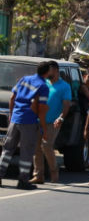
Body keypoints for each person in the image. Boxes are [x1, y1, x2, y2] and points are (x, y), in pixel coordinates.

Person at [0, 61, 50, 190]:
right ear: (48, 72)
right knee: (26, 152)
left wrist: (12, 116)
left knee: (7, 150)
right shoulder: (43, 86)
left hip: (15, 119)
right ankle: (23, 181)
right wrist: (44, 127)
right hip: (29, 121)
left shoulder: (24, 79)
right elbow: (41, 108)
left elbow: (12, 98)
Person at [30, 60, 72, 184]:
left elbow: (66, 105)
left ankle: (54, 172)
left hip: (52, 122)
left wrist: (61, 118)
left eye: (50, 70)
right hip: (38, 120)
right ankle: (39, 175)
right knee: (36, 148)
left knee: (46, 145)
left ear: (56, 71)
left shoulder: (65, 86)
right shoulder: (44, 83)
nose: (47, 72)